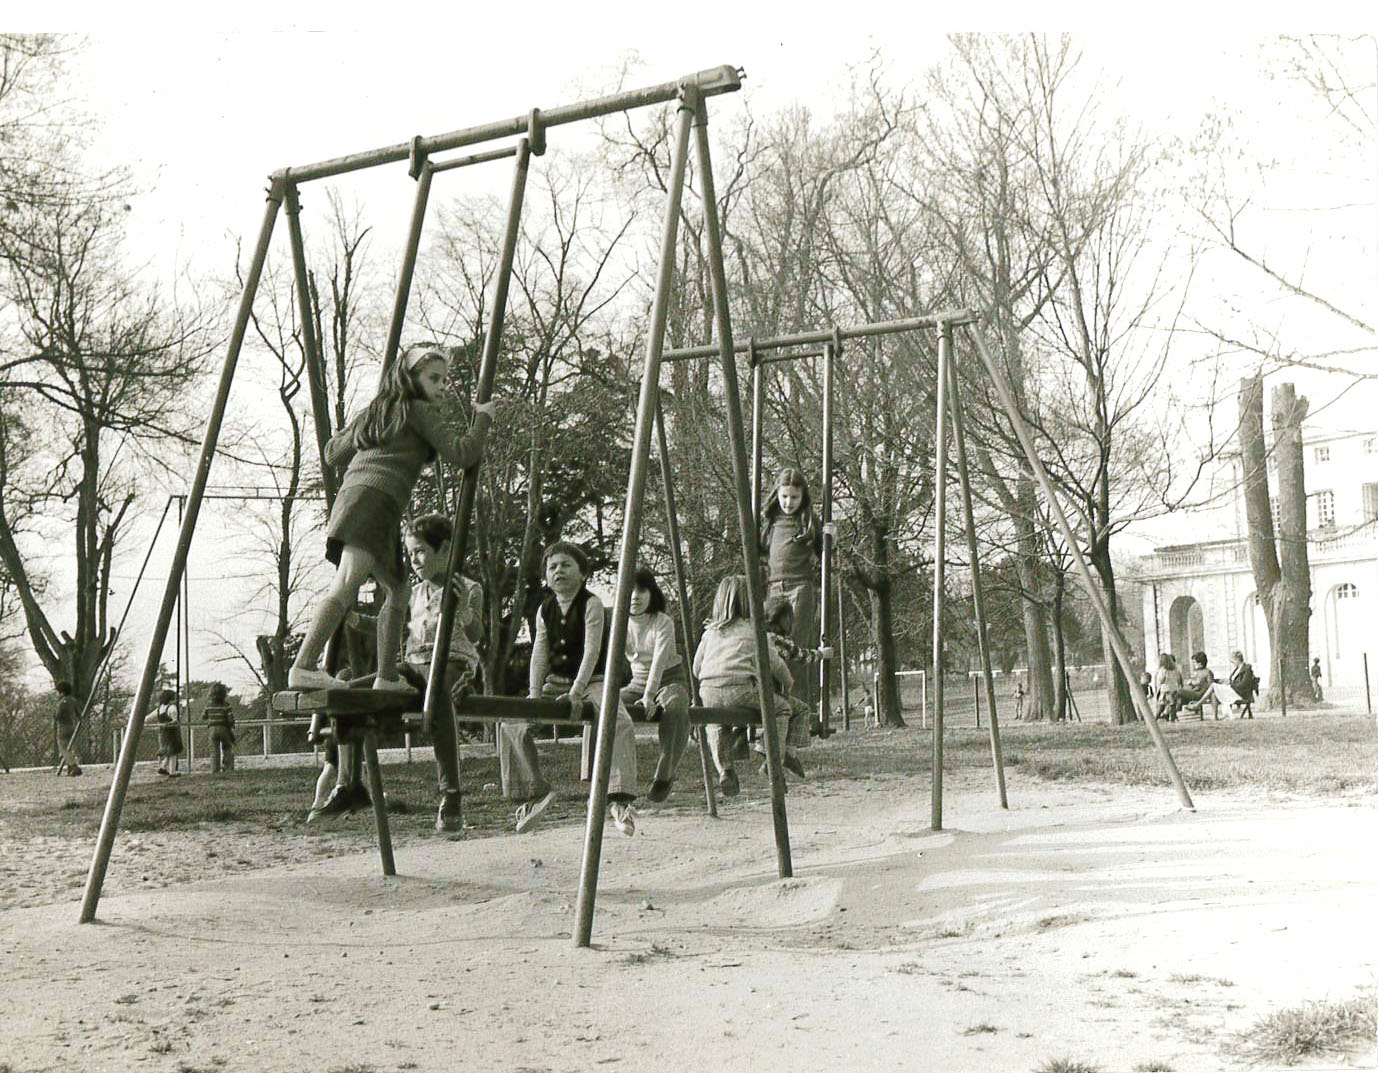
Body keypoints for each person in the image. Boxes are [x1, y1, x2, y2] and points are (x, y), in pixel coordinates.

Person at [287, 342, 494, 694]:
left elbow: (333, 453)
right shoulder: (419, 410)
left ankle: (387, 677)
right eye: (434, 379)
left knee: (398, 590)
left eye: (445, 380)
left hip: (356, 499)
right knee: (348, 580)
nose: (442, 386)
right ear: (410, 379)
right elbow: (462, 454)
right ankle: (304, 666)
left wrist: (366, 423)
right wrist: (483, 419)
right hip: (375, 502)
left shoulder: (380, 411)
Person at [324, 514, 482, 832]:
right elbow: (395, 630)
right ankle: (350, 783)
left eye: (421, 551)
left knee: (438, 695)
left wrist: (463, 609)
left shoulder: (467, 587)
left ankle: (451, 793)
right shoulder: (413, 592)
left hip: (454, 664)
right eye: (410, 553)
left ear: (445, 549)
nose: (414, 560)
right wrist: (357, 622)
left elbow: (477, 633)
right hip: (413, 665)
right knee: (349, 693)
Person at [500, 541, 638, 836]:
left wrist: (577, 692)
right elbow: (540, 651)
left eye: (566, 565)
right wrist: (534, 693)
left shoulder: (591, 604)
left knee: (618, 718)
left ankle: (618, 797)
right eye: (552, 567)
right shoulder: (544, 608)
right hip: (557, 683)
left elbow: (591, 650)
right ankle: (533, 792)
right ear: (546, 577)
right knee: (511, 718)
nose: (558, 571)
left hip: (592, 682)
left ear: (583, 574)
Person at [692, 575, 793, 798]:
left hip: (709, 690)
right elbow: (776, 665)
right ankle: (770, 758)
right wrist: (789, 683)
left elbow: (695, 668)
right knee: (782, 709)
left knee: (715, 722)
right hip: (741, 689)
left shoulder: (710, 633)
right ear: (751, 601)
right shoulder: (756, 631)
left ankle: (725, 769)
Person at [758, 467, 826, 734]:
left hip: (800, 588)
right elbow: (761, 552)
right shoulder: (771, 523)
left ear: (802, 498)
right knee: (771, 649)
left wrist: (828, 538)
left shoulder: (808, 521)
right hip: (775, 589)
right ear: (778, 495)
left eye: (794, 498)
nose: (789, 503)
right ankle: (775, 709)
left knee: (795, 650)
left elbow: (824, 553)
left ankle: (804, 713)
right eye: (785, 497)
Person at [623, 565, 691, 804]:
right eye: (629, 589)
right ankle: (596, 774)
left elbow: (660, 659)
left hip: (669, 680)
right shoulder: (618, 624)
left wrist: (650, 695)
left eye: (641, 590)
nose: (634, 596)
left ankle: (666, 767)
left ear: (652, 593)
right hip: (636, 685)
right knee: (603, 703)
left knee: (676, 706)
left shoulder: (662, 622)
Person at [761, 594, 832, 779]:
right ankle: (788, 754)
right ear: (784, 619)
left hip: (751, 689)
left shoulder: (757, 636)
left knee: (784, 711)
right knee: (800, 710)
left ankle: (768, 751)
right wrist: (821, 654)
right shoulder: (776, 639)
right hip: (771, 694)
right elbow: (800, 655)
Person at [149, 688, 184, 775]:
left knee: (168, 752)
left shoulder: (159, 709)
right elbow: (174, 720)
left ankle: (163, 768)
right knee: (173, 752)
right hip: (171, 733)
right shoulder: (172, 707)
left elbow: (148, 718)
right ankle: (172, 772)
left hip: (162, 733)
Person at [203, 682, 236, 773]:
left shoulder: (209, 705)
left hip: (212, 728)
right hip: (224, 728)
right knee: (227, 748)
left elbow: (204, 716)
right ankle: (228, 768)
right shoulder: (226, 705)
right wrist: (231, 726)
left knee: (214, 750)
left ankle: (215, 769)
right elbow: (230, 718)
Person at [1178, 652, 1219, 720]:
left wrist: (1197, 683)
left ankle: (1174, 714)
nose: (1193, 665)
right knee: (1178, 695)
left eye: (1195, 663)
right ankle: (1177, 715)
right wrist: (1192, 683)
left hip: (1201, 693)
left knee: (1178, 691)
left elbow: (1211, 686)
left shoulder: (1208, 672)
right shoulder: (1197, 672)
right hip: (1195, 691)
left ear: (1200, 663)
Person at [53, 680, 82, 776]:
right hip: (72, 726)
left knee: (64, 749)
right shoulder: (74, 701)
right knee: (71, 748)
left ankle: (74, 766)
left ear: (62, 692)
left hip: (62, 728)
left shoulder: (61, 703)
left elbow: (57, 716)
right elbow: (79, 715)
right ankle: (70, 769)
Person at [1227, 650, 1258, 718]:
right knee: (1216, 688)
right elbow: (1232, 680)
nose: (1233, 664)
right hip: (1234, 691)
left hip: (1242, 693)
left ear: (1237, 659)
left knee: (1215, 689)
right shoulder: (1237, 669)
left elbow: (1243, 684)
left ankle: (1226, 714)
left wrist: (1231, 685)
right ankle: (1226, 713)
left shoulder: (1247, 669)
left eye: (1233, 661)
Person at [1154, 653, 1183, 722]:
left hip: (1165, 690)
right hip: (1173, 689)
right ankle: (1172, 719)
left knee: (1161, 706)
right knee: (1172, 705)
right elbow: (1179, 679)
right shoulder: (1175, 670)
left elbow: (1161, 680)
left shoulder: (1163, 671)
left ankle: (1155, 719)